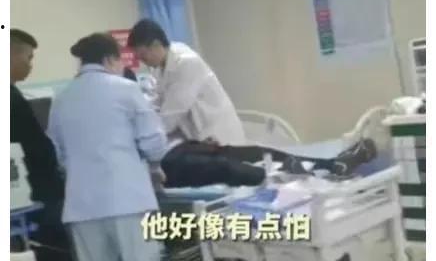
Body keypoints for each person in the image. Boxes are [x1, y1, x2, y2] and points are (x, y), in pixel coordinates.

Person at [128, 19, 377, 188]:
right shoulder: (163, 67)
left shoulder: (185, 63)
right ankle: (331, 165)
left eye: (143, 55)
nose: (143, 62)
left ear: (155, 45)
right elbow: (159, 104)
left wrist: (143, 135)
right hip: (202, 144)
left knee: (261, 160)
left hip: (214, 136)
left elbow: (170, 115)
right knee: (260, 161)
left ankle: (328, 166)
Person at [47, 33, 167, 261]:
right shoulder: (127, 89)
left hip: (82, 207)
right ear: (110, 59)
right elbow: (154, 143)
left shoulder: (61, 98)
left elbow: (58, 154)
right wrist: (152, 164)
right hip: (129, 202)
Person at [10, 29, 79, 261]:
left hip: (30, 189)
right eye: (28, 58)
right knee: (55, 253)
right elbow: (32, 146)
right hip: (35, 191)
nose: (31, 65)